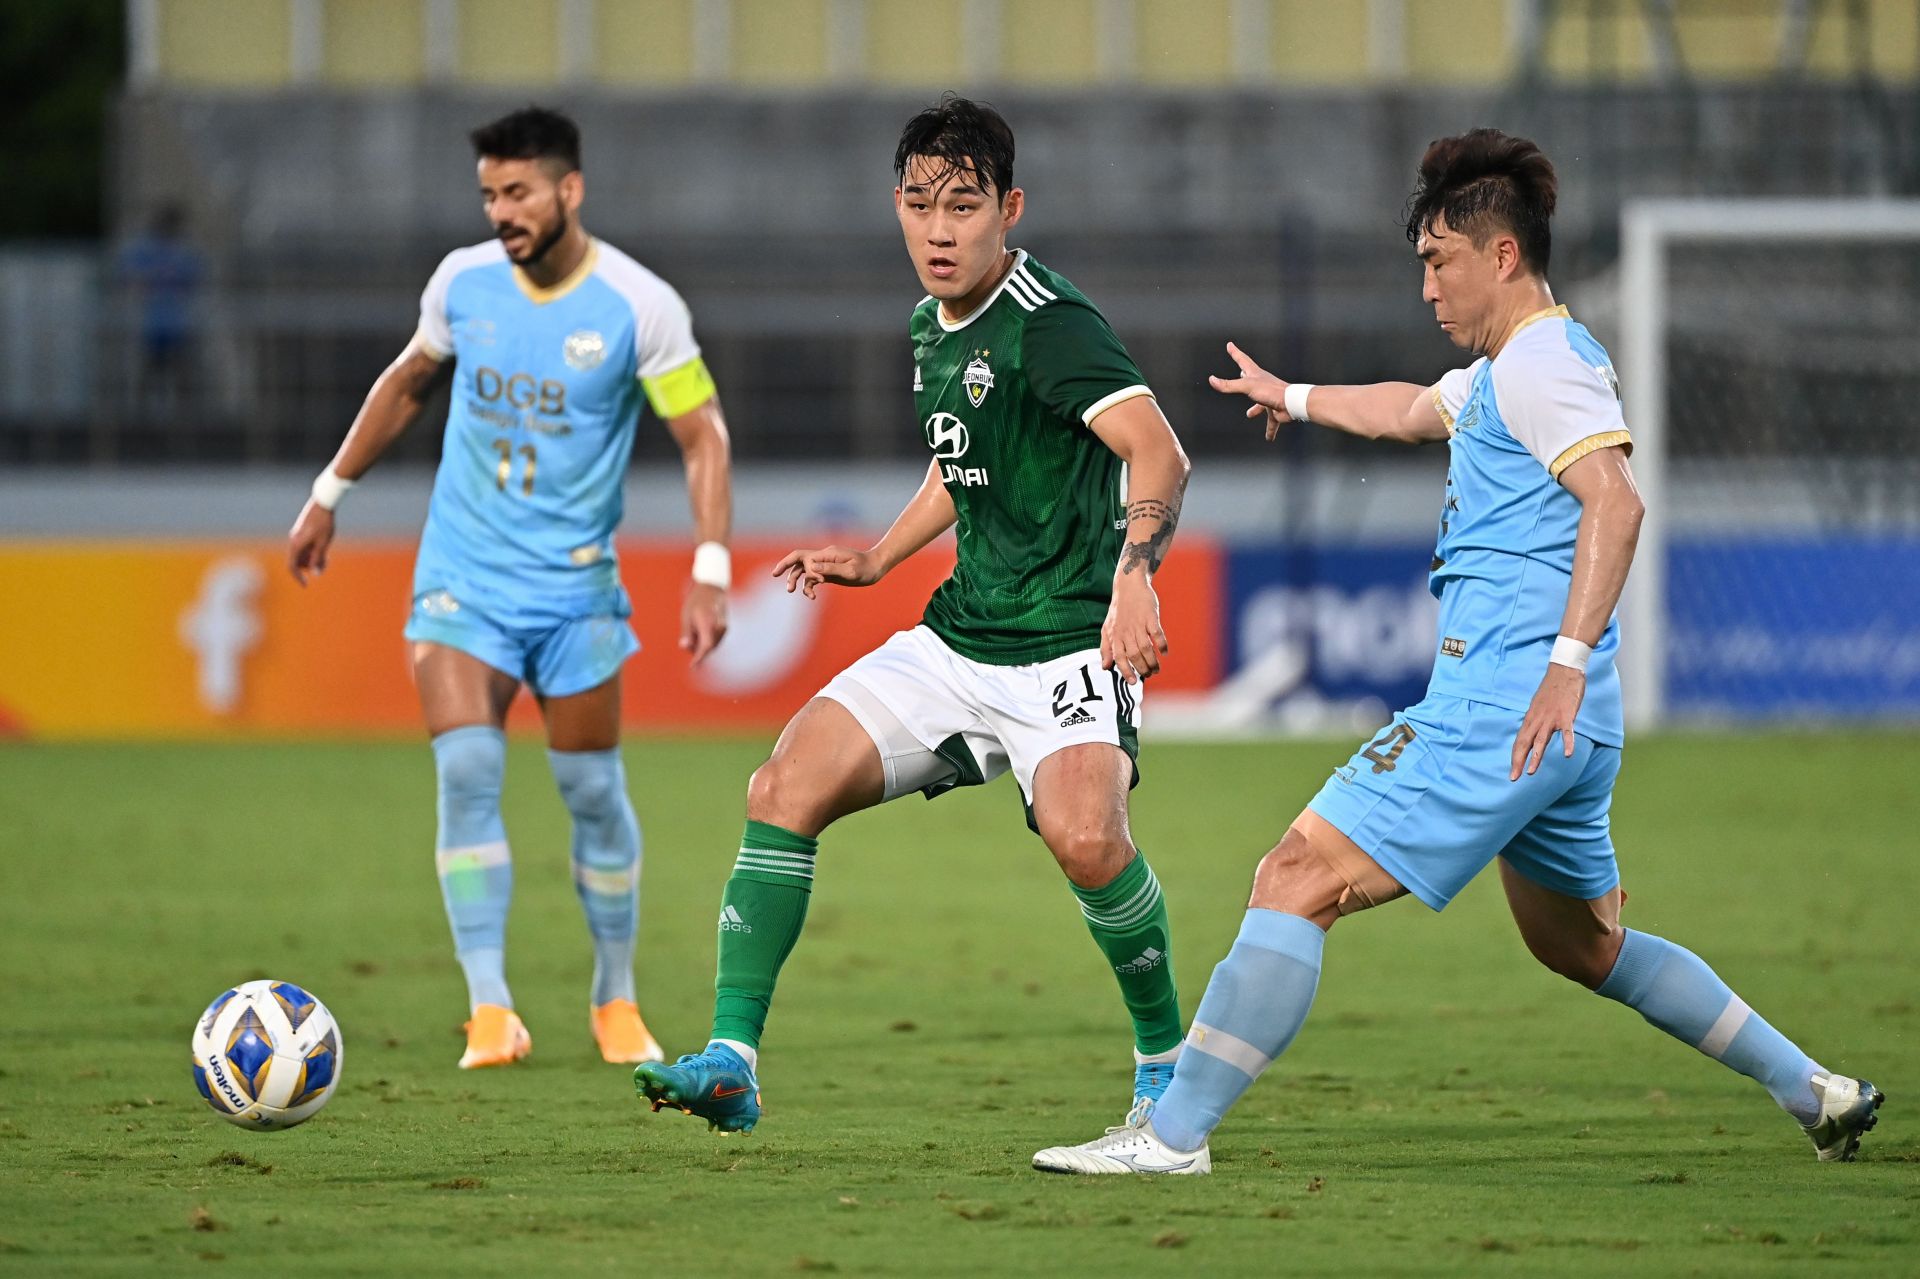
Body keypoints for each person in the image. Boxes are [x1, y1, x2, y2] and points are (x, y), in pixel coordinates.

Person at [1033, 128, 1882, 1174]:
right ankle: (1817, 1090)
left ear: (1504, 256)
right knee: (1584, 946)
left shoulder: (1543, 366)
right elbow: (1405, 409)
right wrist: (1290, 396)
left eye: (1440, 261)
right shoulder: (1508, 372)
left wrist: (1562, 662)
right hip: (1568, 721)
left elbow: (1617, 504)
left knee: (1294, 874)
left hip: (1511, 700)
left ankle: (1171, 1135)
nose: (1428, 285)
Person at [634, 95, 1192, 1134]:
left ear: (1009, 208)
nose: (940, 229)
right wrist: (881, 555)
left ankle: (1167, 1061)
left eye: (965, 205)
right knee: (781, 784)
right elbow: (963, 455)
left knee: (1086, 839)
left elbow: (1158, 452)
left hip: (1070, 636)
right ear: (896, 206)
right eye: (920, 203)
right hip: (961, 634)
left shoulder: (1051, 324)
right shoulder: (929, 327)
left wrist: (1135, 574)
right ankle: (732, 1058)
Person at [286, 106, 733, 1070]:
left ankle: (614, 998)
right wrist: (329, 492)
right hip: (464, 577)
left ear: (569, 190)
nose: (502, 212)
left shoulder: (638, 305)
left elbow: (702, 434)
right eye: (489, 194)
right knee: (465, 772)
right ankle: (490, 1007)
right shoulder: (463, 282)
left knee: (590, 788)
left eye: (518, 192)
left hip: (574, 591)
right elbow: (409, 382)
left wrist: (708, 567)